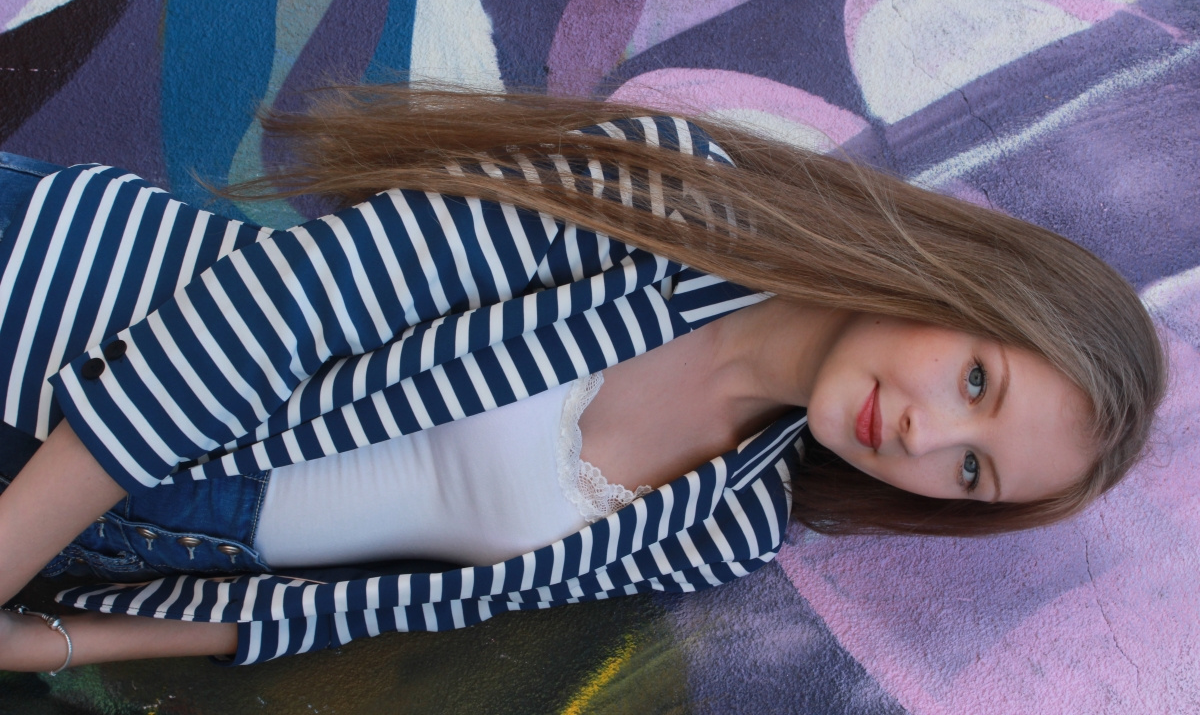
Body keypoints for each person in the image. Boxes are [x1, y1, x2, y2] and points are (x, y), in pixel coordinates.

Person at [0, 87, 1165, 673]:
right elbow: (287, 308)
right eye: (975, 379)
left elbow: (391, 602)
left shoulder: (726, 523)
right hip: (57, 319)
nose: (922, 433)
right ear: (963, 283)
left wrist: (59, 638)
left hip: (99, 539)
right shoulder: (686, 203)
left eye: (971, 470)